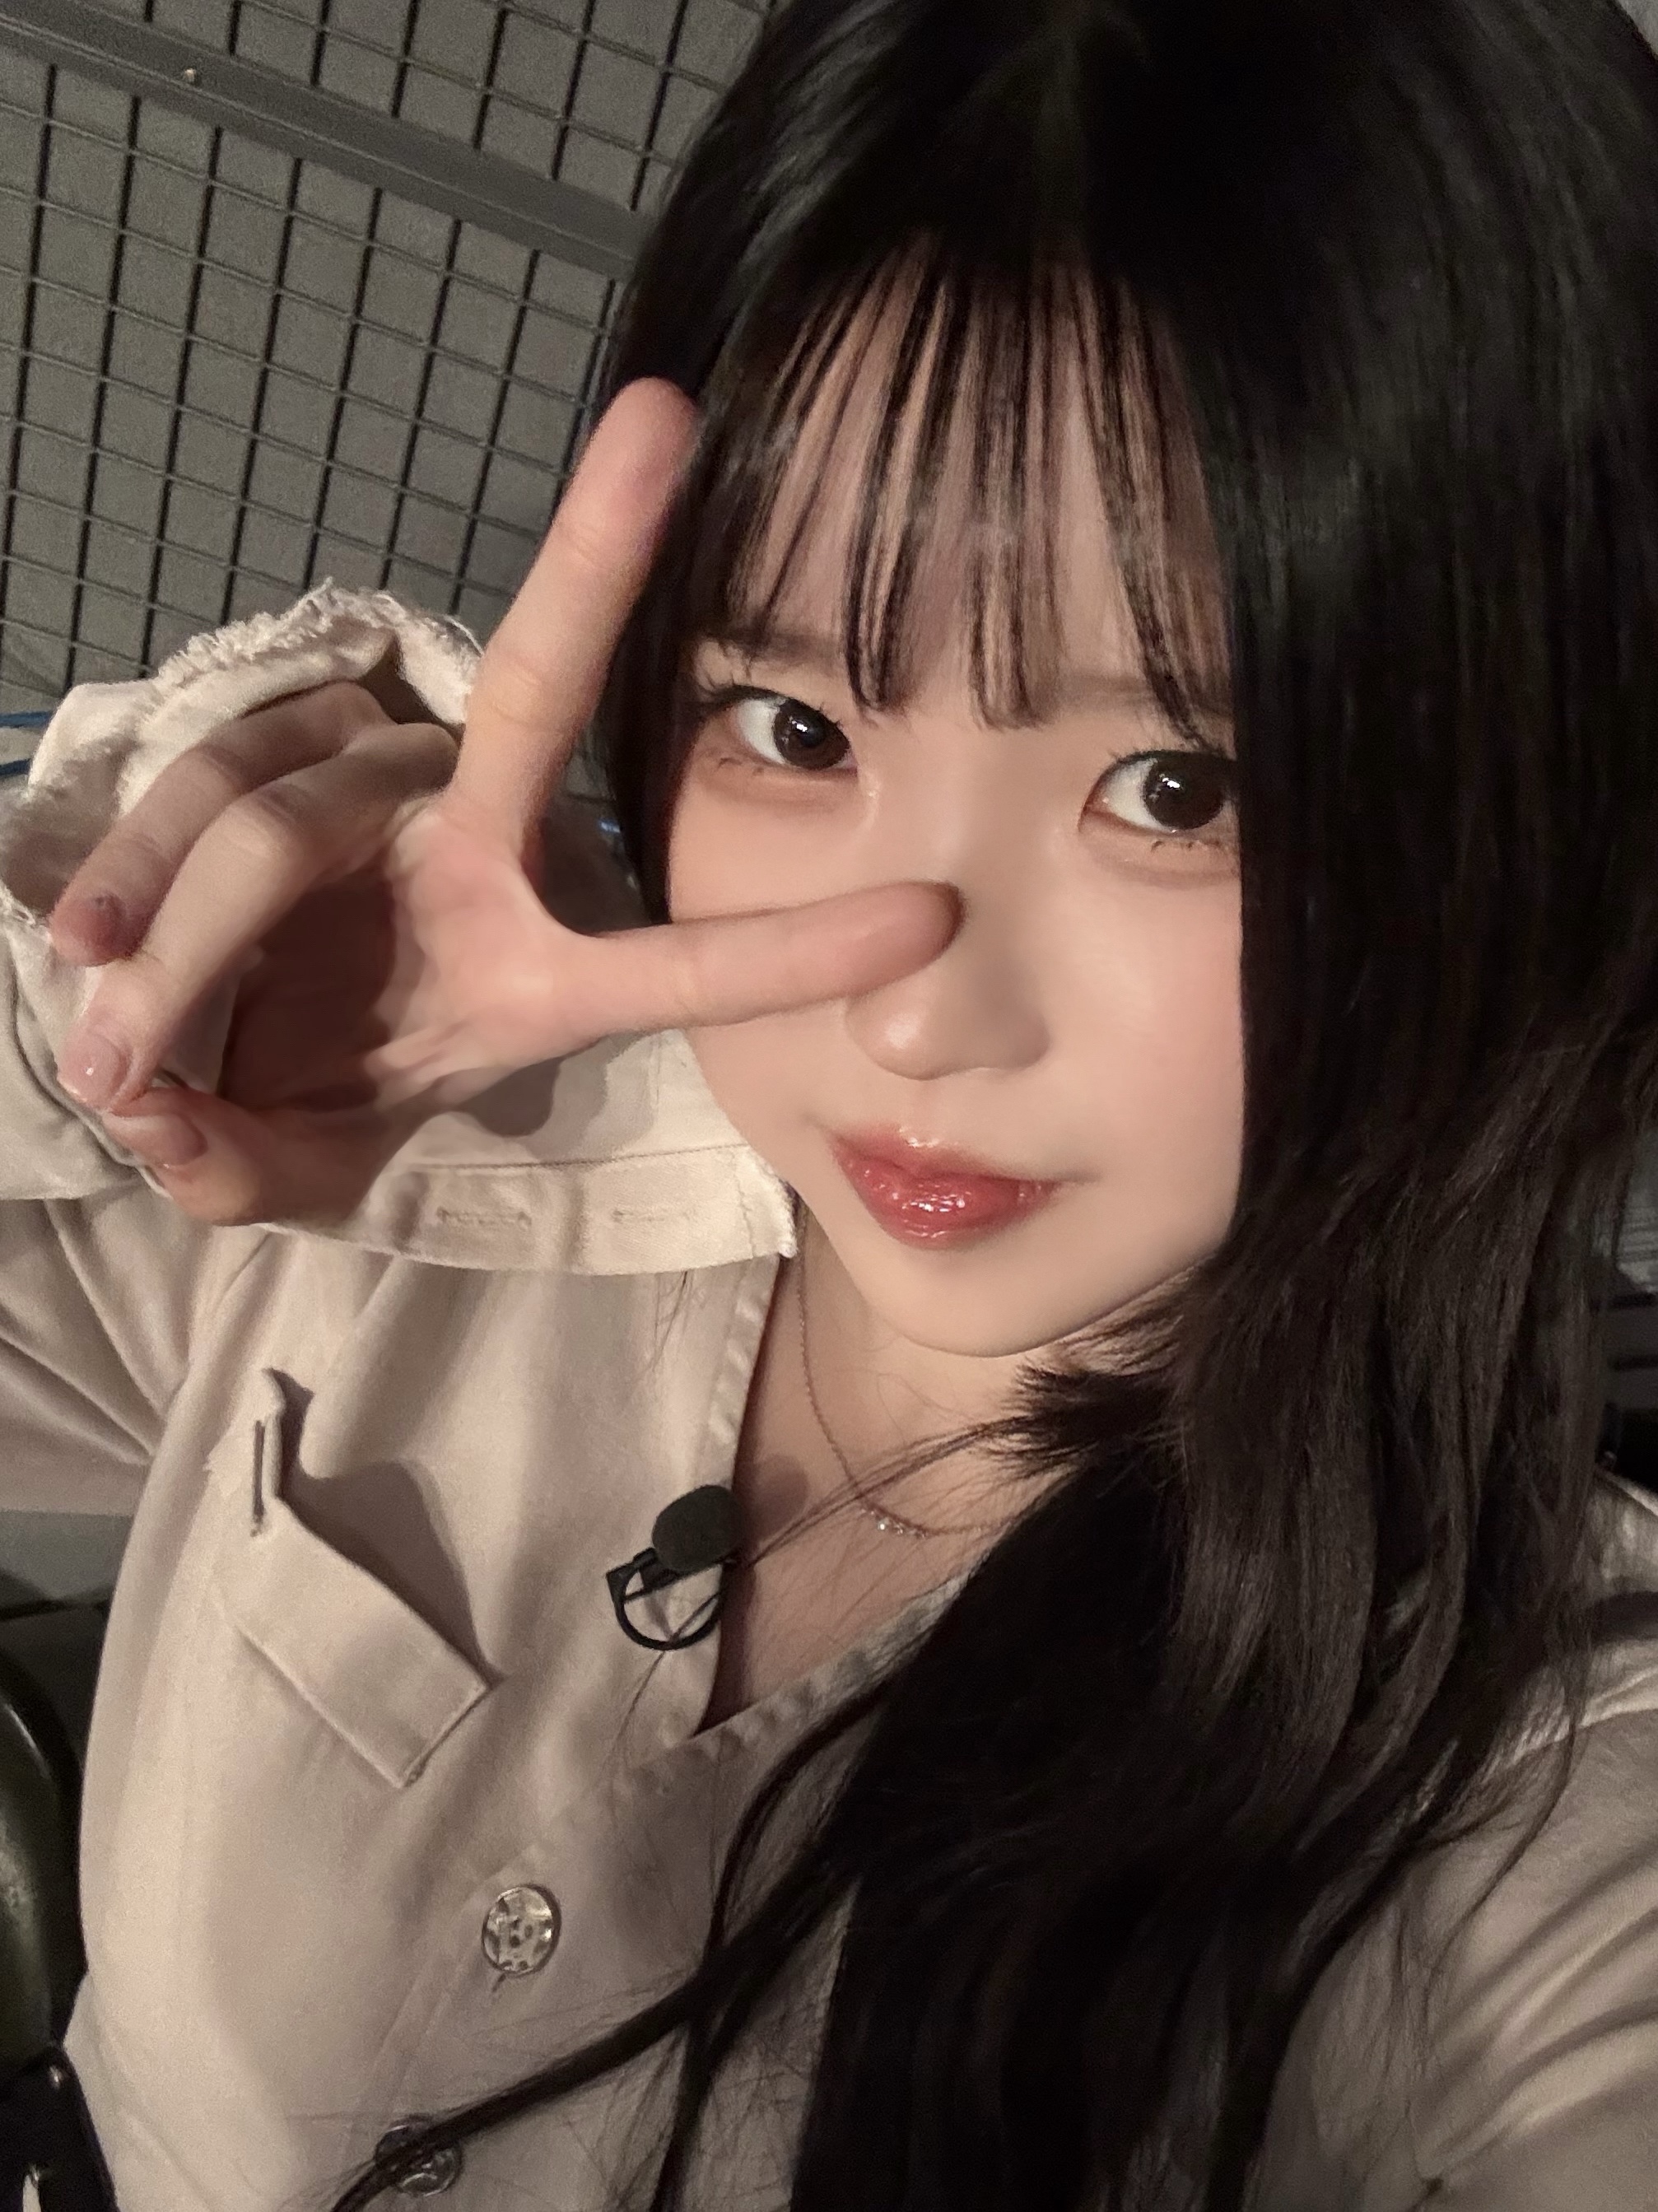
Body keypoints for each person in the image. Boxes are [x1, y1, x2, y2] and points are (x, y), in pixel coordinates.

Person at [5, 0, 1658, 2205]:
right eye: (795, 728)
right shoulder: (415, 1164)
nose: (915, 1024)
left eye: (1178, 788)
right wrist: (99, 1013)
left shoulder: (1548, 1815)